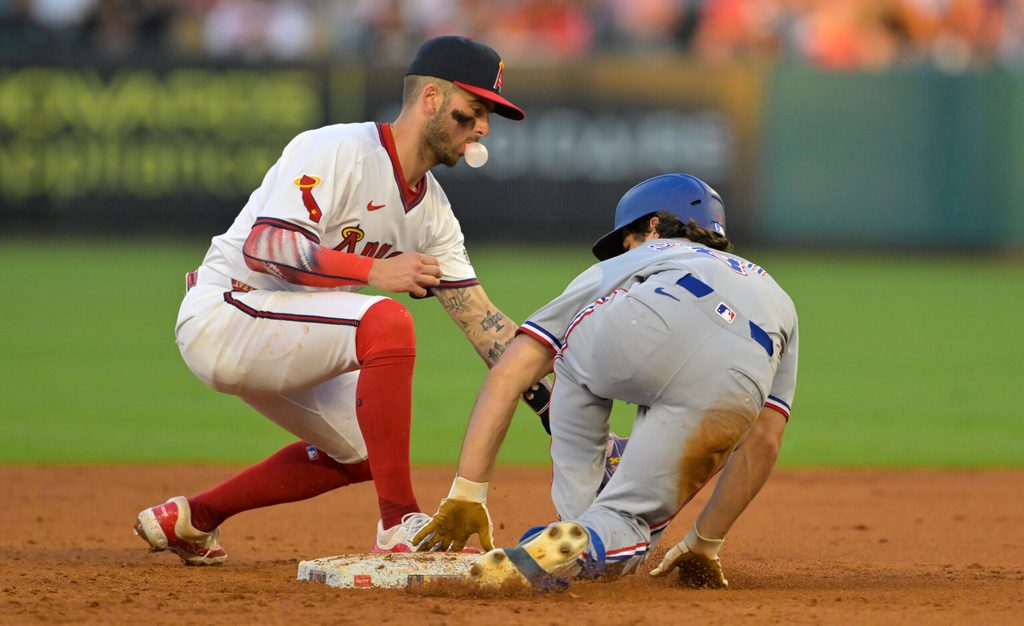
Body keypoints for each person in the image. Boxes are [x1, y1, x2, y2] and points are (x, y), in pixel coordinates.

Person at [133, 35, 553, 565]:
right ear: (430, 100)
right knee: (387, 322)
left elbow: (481, 322)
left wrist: (550, 401)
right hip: (229, 310)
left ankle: (193, 519)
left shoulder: (433, 214)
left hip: (287, 328)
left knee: (361, 449)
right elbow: (267, 246)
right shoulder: (337, 148)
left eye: (487, 116)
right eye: (471, 113)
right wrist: (375, 269)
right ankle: (399, 522)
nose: (482, 129)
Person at [414, 173, 799, 589]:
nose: (623, 249)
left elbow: (513, 369)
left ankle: (576, 519)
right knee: (630, 522)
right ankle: (586, 537)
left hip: (646, 323)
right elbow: (764, 440)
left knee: (558, 350)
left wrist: (468, 492)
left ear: (652, 226)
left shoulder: (638, 259)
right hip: (740, 378)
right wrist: (704, 543)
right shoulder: (777, 294)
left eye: (627, 237)